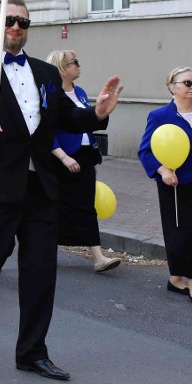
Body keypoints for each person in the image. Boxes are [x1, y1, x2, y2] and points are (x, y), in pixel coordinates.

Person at [0, 0, 122, 381]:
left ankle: (31, 352)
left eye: (23, 23)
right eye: (9, 21)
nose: (16, 28)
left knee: (41, 271)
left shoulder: (44, 73)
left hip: (41, 186)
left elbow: (67, 118)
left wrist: (96, 114)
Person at [138, 67, 192, 305]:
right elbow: (145, 150)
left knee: (191, 229)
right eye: (187, 83)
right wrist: (163, 170)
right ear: (172, 86)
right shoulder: (160, 116)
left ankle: (175, 278)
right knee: (181, 230)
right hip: (174, 181)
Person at [46, 50, 119, 273]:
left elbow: (86, 121)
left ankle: (98, 257)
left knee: (87, 205)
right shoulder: (51, 95)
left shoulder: (80, 92)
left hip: (85, 155)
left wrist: (101, 113)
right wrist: (63, 156)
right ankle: (45, 253)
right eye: (74, 62)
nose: (78, 65)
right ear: (61, 67)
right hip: (62, 157)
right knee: (54, 207)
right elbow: (46, 131)